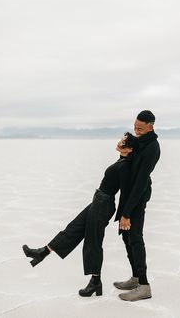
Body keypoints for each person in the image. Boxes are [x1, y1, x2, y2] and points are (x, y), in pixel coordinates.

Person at [22, 132, 138, 297]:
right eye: (121, 139)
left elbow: (126, 193)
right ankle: (43, 252)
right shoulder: (121, 160)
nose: (119, 142)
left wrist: (125, 215)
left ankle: (95, 282)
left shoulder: (125, 166)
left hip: (103, 204)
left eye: (123, 142)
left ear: (130, 149)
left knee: (93, 242)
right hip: (98, 201)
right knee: (73, 228)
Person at [113, 110, 160, 302]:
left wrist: (126, 213)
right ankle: (136, 278)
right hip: (128, 193)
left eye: (140, 128)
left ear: (151, 126)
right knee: (126, 236)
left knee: (135, 237)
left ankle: (144, 286)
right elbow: (126, 154)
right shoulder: (137, 141)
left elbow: (140, 182)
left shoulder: (152, 148)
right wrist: (123, 151)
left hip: (137, 197)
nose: (136, 131)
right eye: (135, 127)